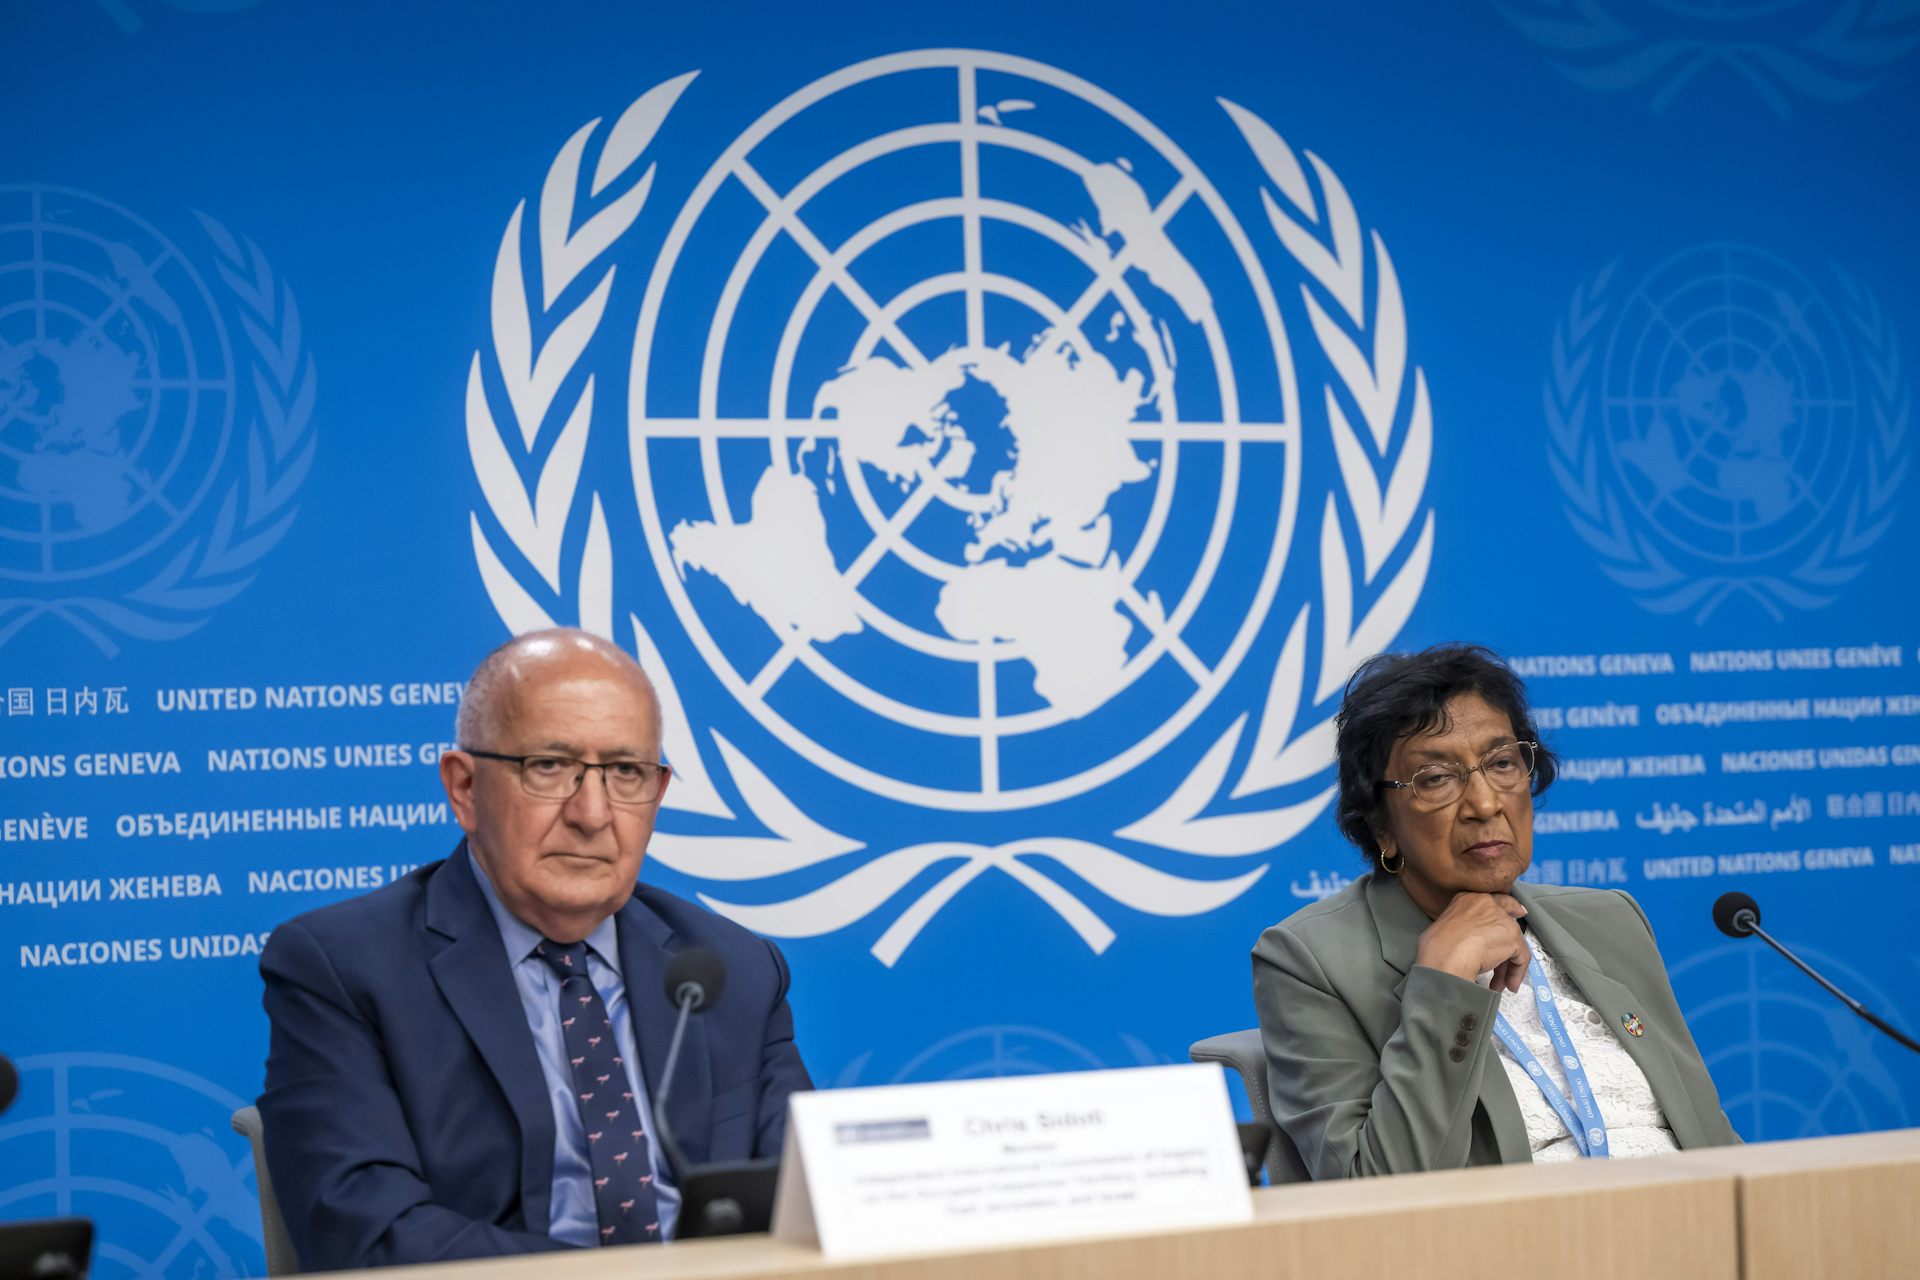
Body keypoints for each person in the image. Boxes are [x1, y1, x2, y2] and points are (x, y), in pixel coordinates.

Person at [258, 629, 811, 1268]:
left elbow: (813, 1198)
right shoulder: (344, 969)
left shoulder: (732, 969)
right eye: (549, 766)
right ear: (464, 789)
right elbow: (365, 1232)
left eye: (626, 772)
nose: (593, 812)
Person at [1252, 644, 1737, 1180]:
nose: (1485, 803)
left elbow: (1709, 1131)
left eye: (1502, 763)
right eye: (1436, 778)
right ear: (1381, 825)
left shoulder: (1609, 919)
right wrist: (1442, 980)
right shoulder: (1310, 961)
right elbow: (1376, 1191)